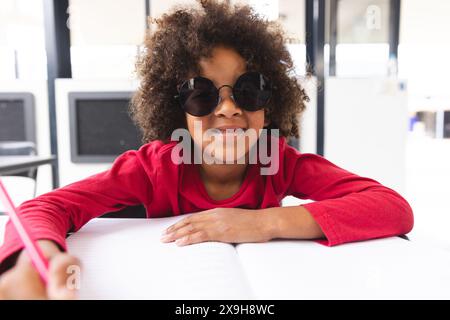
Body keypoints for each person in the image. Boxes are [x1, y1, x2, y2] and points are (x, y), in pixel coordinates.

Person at [0, 0, 413, 299]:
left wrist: (262, 223)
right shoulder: (152, 168)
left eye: (248, 91)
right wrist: (39, 263)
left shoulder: (280, 162)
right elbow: (41, 209)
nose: (229, 107)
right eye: (202, 94)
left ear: (269, 106)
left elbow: (392, 207)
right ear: (178, 112)